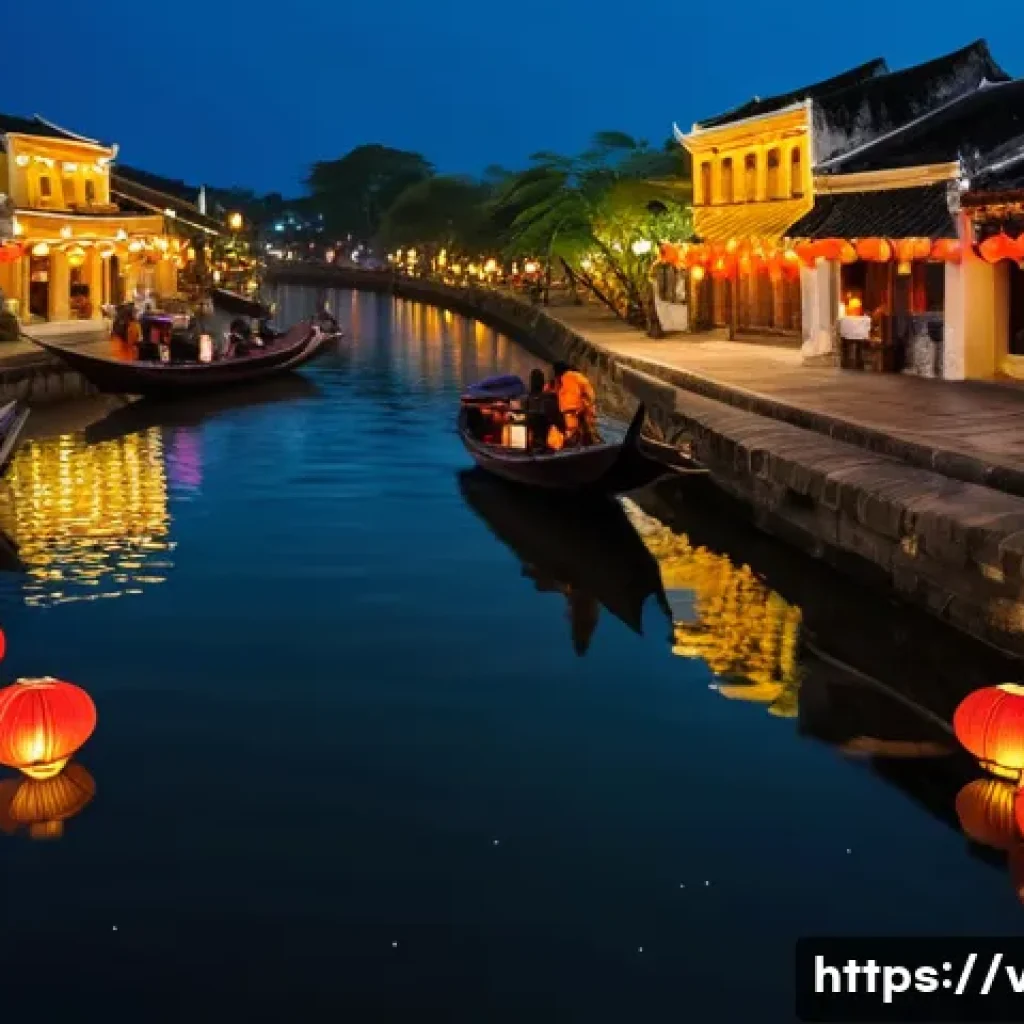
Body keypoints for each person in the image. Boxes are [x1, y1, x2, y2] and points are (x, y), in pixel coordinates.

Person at [550, 361, 600, 447]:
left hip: (578, 419)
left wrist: (570, 432)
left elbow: (570, 406)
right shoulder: (575, 377)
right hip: (586, 416)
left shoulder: (568, 378)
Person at [523, 369, 562, 451]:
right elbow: (558, 420)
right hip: (545, 439)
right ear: (542, 383)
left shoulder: (527, 399)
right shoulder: (549, 399)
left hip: (532, 438)